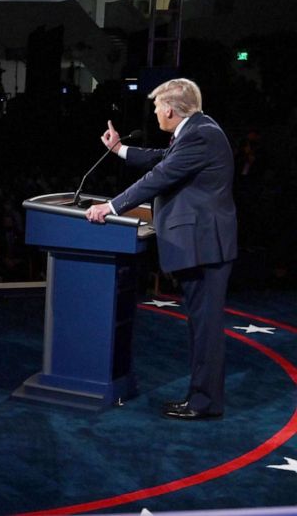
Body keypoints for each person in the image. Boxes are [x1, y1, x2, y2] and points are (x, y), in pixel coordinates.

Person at [85, 78, 236, 421]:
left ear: (169, 108)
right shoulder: (198, 130)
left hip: (205, 247)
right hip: (203, 246)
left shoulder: (200, 134)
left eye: (156, 107)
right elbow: (162, 157)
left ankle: (205, 402)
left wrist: (112, 207)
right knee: (201, 327)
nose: (154, 113)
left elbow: (161, 174)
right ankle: (201, 398)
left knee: (206, 329)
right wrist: (119, 150)